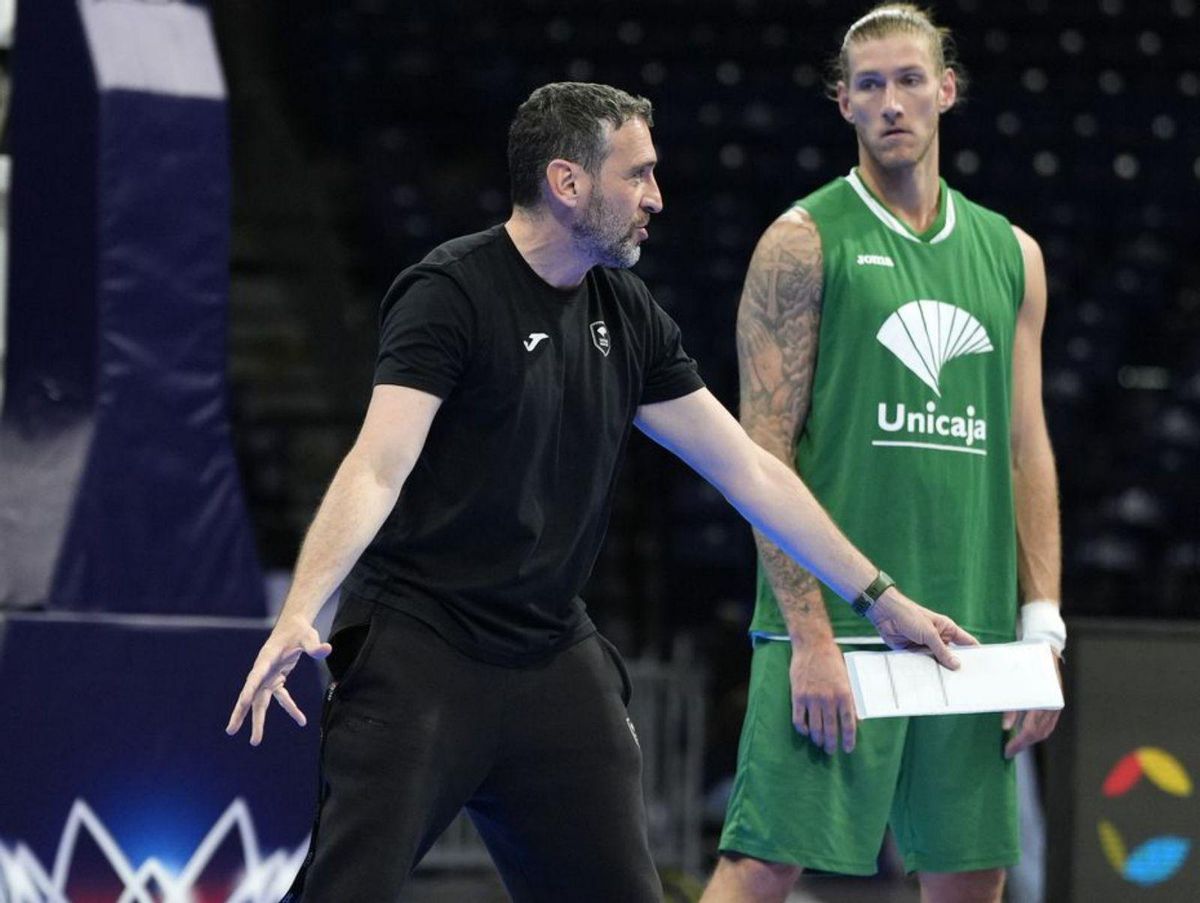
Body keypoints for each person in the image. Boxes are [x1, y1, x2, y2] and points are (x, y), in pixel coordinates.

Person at [225, 81, 975, 903]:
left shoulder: (628, 311)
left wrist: (878, 597)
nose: (657, 197)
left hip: (549, 655)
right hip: (421, 648)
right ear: (568, 182)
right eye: (639, 175)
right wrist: (304, 604)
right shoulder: (452, 292)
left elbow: (751, 470)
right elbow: (377, 463)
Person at [702, 6, 1065, 903]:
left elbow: (1027, 450)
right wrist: (809, 635)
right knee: (761, 863)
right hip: (838, 624)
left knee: (970, 874)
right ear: (843, 103)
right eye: (870, 84)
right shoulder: (800, 243)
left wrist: (1041, 631)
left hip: (970, 628)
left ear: (946, 90)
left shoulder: (1013, 255)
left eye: (910, 80)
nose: (892, 101)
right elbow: (761, 461)